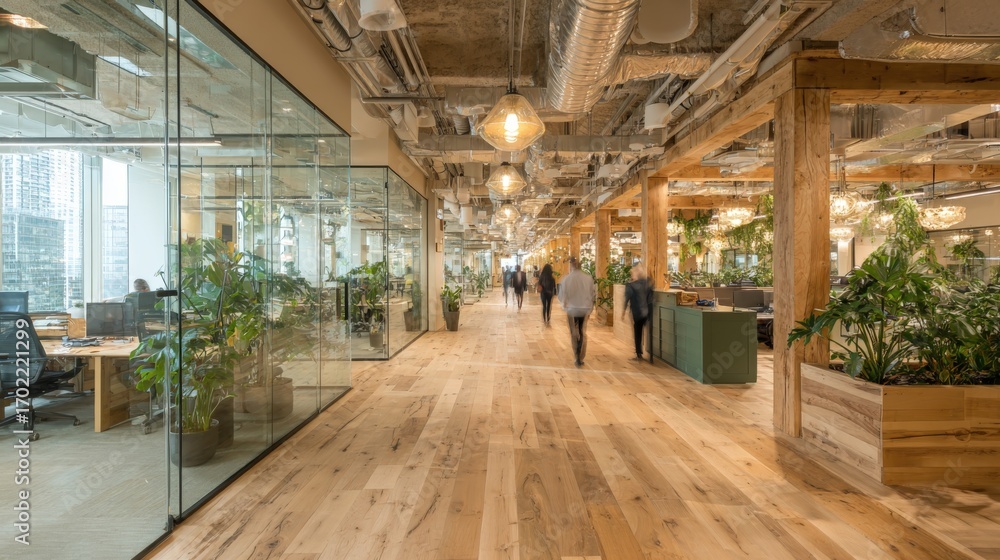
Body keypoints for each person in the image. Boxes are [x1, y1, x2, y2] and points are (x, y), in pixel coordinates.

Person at [558, 257, 595, 366]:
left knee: (573, 332)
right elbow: (592, 294)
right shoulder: (588, 278)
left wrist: (565, 304)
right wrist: (590, 308)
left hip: (572, 309)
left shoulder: (566, 279)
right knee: (582, 331)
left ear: (571, 266)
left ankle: (576, 355)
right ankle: (581, 355)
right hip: (584, 309)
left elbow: (561, 296)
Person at [622, 264, 653, 361]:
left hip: (637, 312)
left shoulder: (631, 285)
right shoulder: (647, 283)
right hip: (647, 311)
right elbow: (651, 297)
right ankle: (651, 355)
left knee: (637, 332)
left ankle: (639, 353)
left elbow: (626, 298)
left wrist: (623, 311)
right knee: (649, 333)